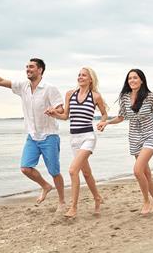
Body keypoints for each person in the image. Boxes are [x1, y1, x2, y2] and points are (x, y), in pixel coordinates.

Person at [0, 58, 66, 211]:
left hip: (49, 136)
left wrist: (54, 111)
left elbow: (61, 109)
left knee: (54, 171)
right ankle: (45, 186)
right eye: (27, 67)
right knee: (25, 168)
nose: (28, 69)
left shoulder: (49, 88)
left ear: (40, 70)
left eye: (31, 67)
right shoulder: (23, 86)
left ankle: (61, 202)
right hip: (32, 136)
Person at [97, 69, 153, 215]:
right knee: (146, 172)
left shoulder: (150, 96)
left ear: (141, 80)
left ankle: (146, 201)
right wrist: (107, 123)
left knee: (137, 170)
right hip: (134, 137)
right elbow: (121, 117)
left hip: (150, 135)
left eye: (135, 78)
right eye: (130, 78)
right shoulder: (124, 97)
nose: (132, 80)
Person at [46, 67, 108, 218]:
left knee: (73, 170)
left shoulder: (95, 96)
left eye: (84, 75)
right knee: (86, 173)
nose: (80, 77)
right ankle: (98, 198)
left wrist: (102, 122)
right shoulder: (70, 94)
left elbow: (104, 114)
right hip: (74, 139)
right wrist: (54, 114)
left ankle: (73, 207)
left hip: (88, 137)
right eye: (79, 75)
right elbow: (66, 115)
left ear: (90, 79)